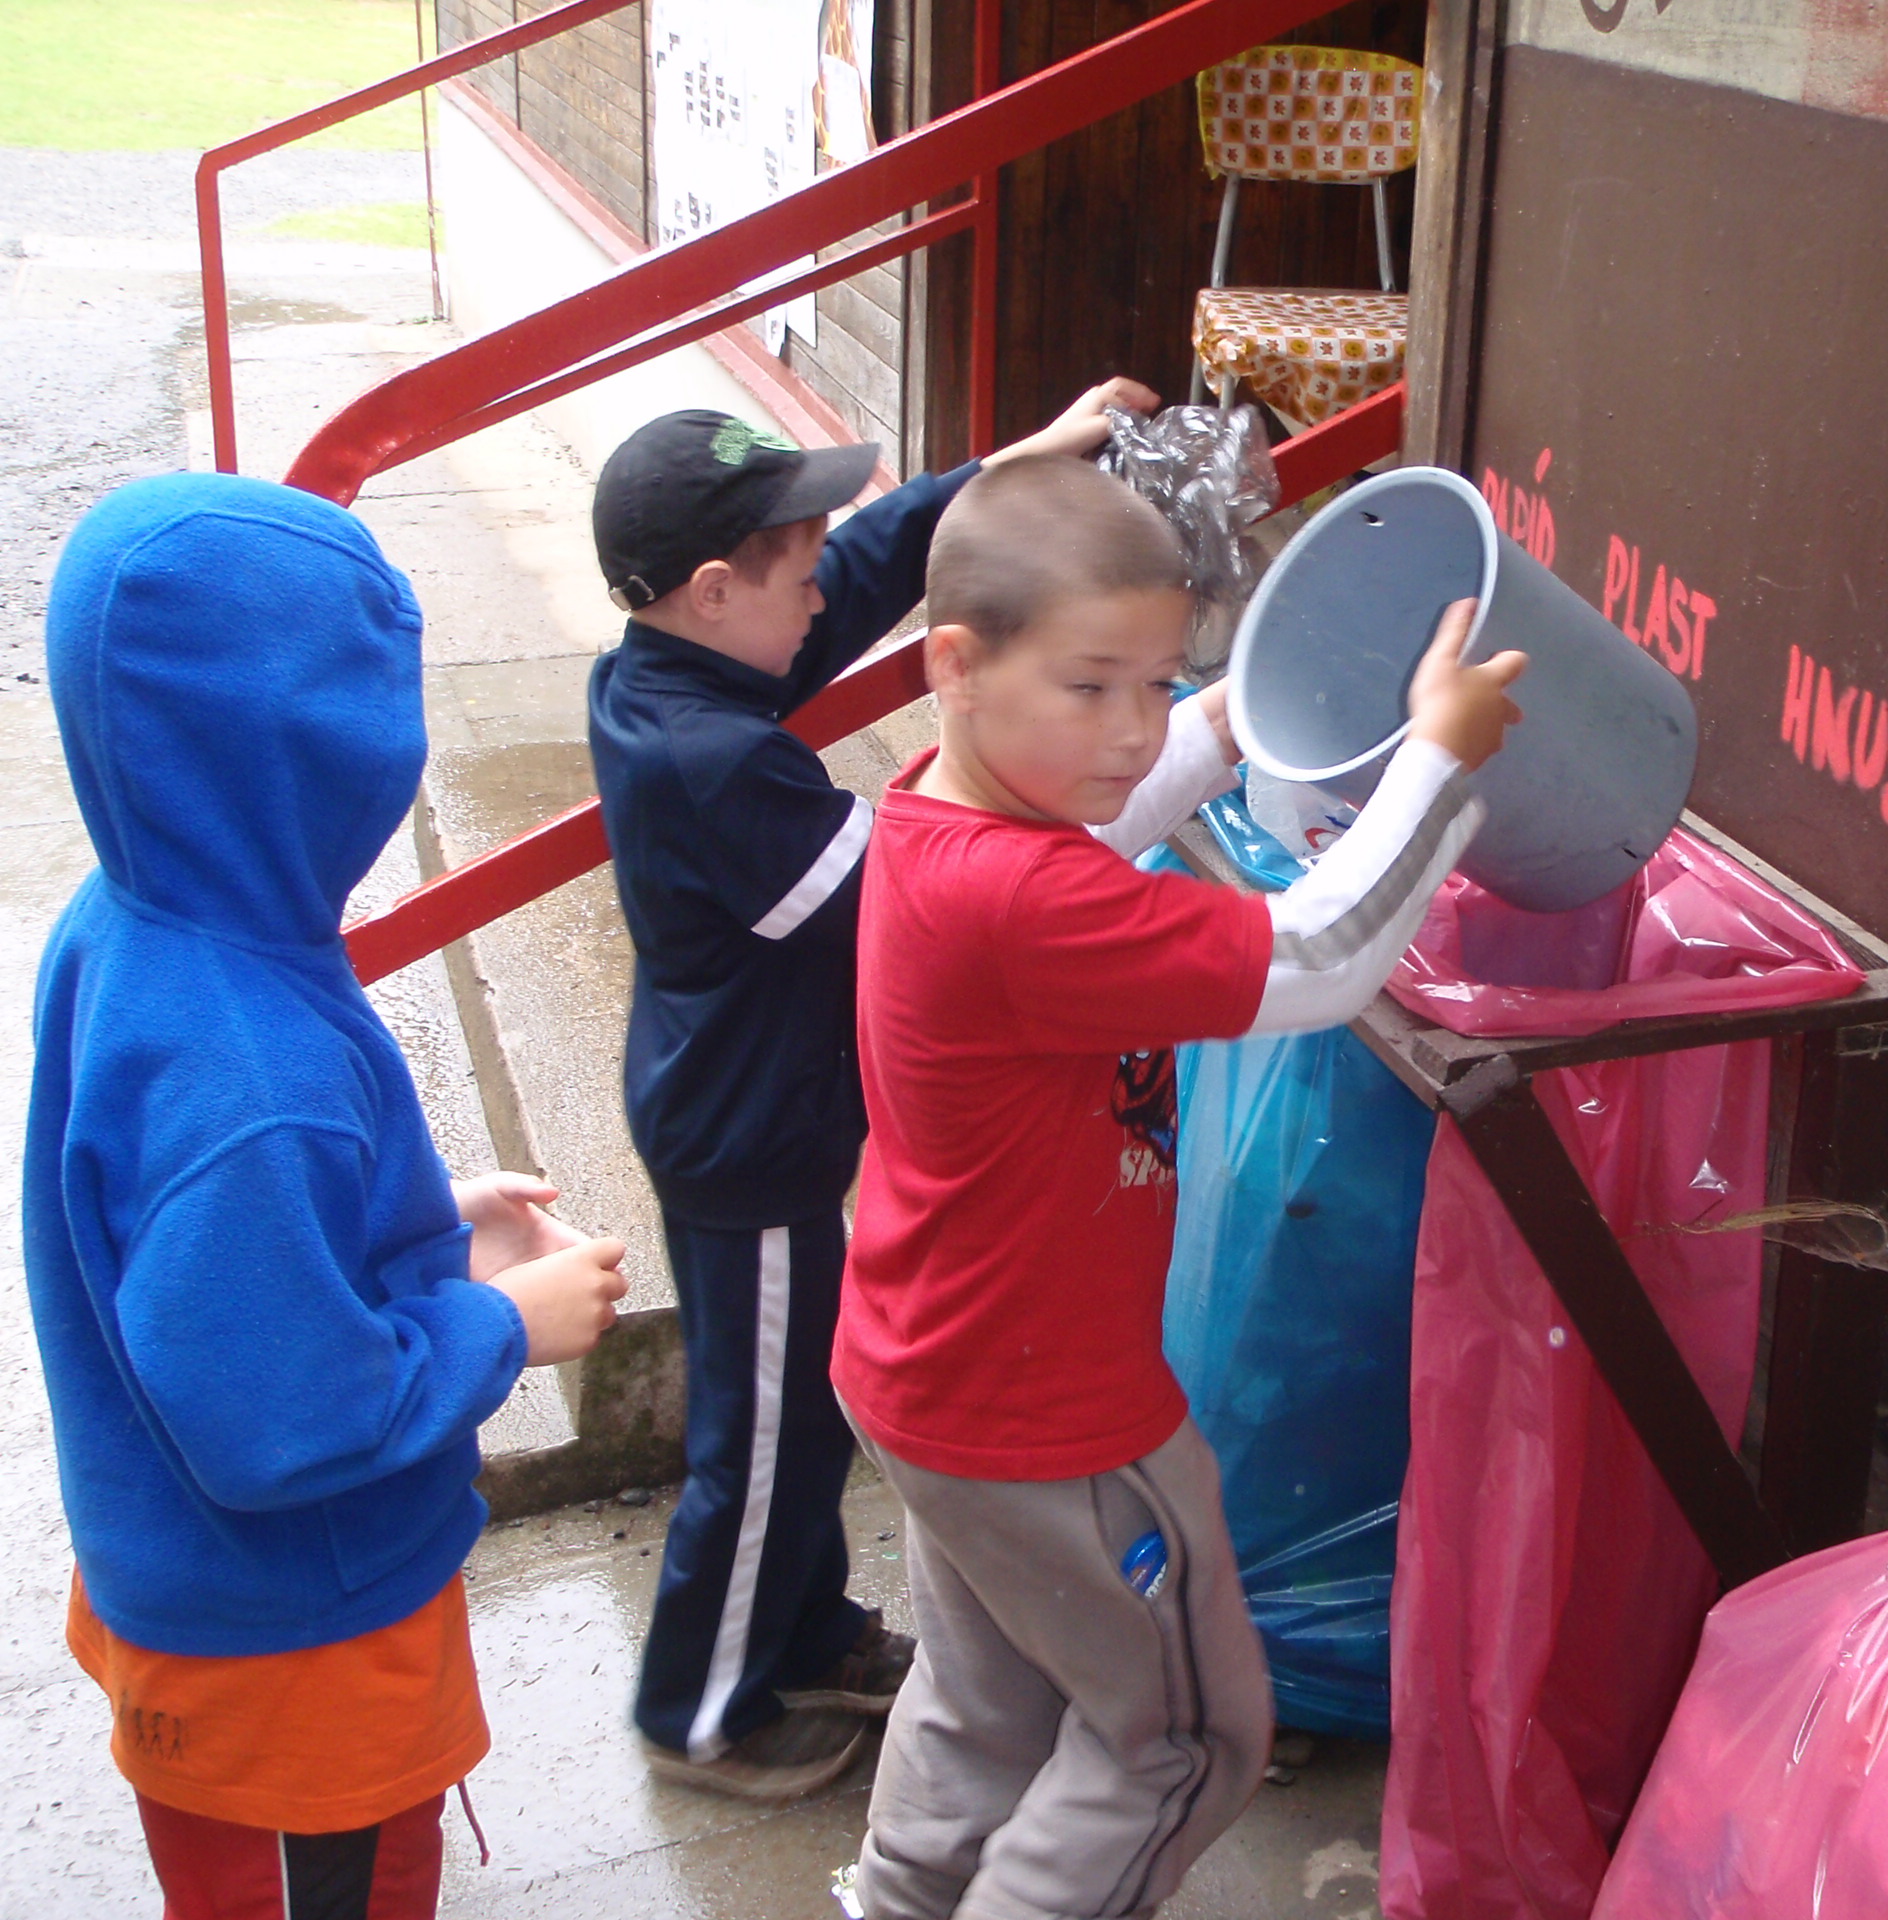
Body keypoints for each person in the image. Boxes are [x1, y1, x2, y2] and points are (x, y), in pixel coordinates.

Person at [834, 454, 1526, 1918]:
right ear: (954, 665)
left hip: (930, 1377)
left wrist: (1232, 709)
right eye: (1091, 685)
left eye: (1155, 684)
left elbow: (1107, 807)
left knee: (988, 1708)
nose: (1128, 727)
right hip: (1056, 1423)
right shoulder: (1020, 898)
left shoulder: (947, 815)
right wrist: (1440, 762)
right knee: (1179, 1743)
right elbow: (1316, 958)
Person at [25, 473, 630, 1920]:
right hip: (290, 1651)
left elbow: (182, 1229)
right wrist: (504, 1325)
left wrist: (412, 1215)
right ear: (321, 757)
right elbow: (278, 1418)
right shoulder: (257, 1075)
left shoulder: (135, 919)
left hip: (202, 1586)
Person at [587, 385, 1155, 1798]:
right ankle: (700, 1712)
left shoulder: (676, 668)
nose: (822, 593)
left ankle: (804, 1631)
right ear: (715, 590)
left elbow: (857, 568)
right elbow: (913, 881)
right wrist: (1058, 758)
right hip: (751, 1148)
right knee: (763, 1441)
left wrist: (1002, 469)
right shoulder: (712, 765)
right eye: (794, 568)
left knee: (799, 1415)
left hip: (750, 1112)